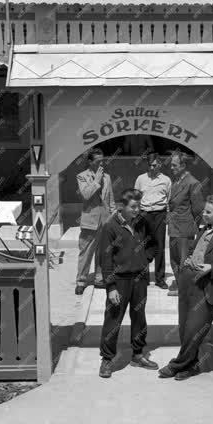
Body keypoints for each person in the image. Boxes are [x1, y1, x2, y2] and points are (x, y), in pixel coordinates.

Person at [158, 195, 213, 381]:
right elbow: (194, 249)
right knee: (184, 327)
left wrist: (211, 268)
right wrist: (188, 259)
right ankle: (192, 365)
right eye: (204, 211)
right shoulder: (204, 229)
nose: (203, 214)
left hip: (207, 287)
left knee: (194, 329)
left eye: (208, 212)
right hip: (188, 282)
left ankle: (177, 364)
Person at [97, 188, 159, 378]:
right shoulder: (110, 227)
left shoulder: (141, 222)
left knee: (139, 317)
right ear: (121, 207)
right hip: (120, 281)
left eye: (139, 206)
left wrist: (144, 259)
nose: (137, 209)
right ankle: (107, 359)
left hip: (140, 278)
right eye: (133, 206)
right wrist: (111, 287)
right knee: (113, 320)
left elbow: (153, 243)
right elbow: (105, 260)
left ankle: (138, 355)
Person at [76, 148, 116, 295]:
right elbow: (86, 195)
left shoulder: (108, 177)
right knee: (86, 252)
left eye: (102, 161)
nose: (101, 164)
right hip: (90, 220)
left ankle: (99, 278)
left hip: (105, 220)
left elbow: (110, 198)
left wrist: (113, 215)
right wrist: (97, 181)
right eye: (98, 161)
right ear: (90, 162)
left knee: (103, 252)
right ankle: (81, 280)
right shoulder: (82, 176)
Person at [166, 150, 204, 296]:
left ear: (183, 166)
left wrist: (192, 226)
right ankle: (180, 283)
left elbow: (198, 209)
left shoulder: (193, 183)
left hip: (185, 228)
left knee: (183, 260)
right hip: (174, 227)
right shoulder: (176, 181)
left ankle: (185, 287)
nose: (171, 167)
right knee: (174, 259)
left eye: (175, 165)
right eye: (171, 165)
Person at [134, 152, 171, 289]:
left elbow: (170, 199)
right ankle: (143, 276)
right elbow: (135, 197)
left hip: (160, 214)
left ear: (160, 164)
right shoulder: (140, 179)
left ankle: (160, 279)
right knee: (143, 245)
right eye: (149, 165)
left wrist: (168, 215)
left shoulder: (166, 180)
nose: (151, 168)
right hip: (144, 214)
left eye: (154, 165)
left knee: (160, 246)